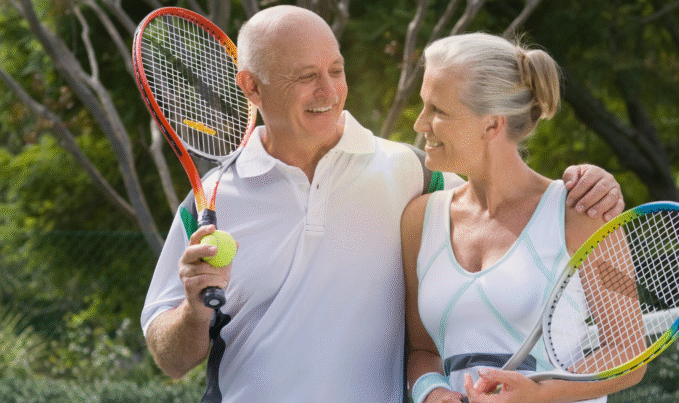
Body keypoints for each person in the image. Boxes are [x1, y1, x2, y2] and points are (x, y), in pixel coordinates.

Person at [140, 6, 625, 403]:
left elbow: (505, 190)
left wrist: (592, 184)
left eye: (335, 70)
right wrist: (193, 308)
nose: (328, 92)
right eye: (306, 76)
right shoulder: (211, 199)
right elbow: (169, 357)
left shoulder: (413, 174)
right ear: (251, 86)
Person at [401, 33, 645, 403]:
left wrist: (536, 394)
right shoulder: (419, 220)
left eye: (439, 111)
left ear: (492, 125)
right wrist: (432, 393)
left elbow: (629, 353)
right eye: (424, 105)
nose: (420, 123)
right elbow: (422, 350)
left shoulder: (583, 212)